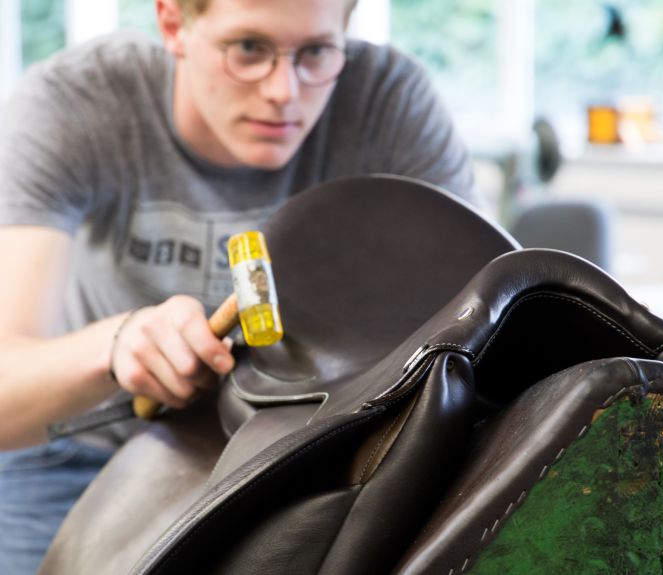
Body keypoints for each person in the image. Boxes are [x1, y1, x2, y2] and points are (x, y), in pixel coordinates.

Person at [0, 0, 478, 572]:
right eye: (248, 49)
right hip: (82, 447)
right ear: (174, 24)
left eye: (316, 52)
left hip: (293, 459)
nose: (283, 90)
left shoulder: (388, 103)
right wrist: (118, 345)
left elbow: (483, 326)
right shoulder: (79, 101)